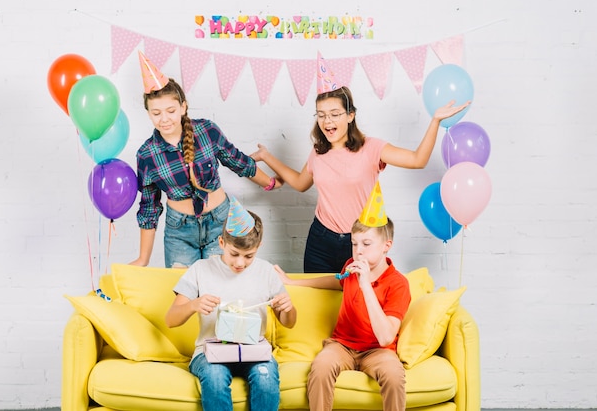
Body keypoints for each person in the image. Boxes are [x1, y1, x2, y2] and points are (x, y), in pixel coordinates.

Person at [251, 56, 470, 273]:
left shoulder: (372, 148)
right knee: (318, 304)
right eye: (321, 115)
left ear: (350, 115)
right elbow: (300, 183)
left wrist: (435, 121)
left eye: (335, 114)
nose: (327, 122)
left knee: (356, 303)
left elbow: (417, 160)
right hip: (320, 240)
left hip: (360, 243)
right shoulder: (318, 152)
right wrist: (267, 156)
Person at [130, 51, 280, 268]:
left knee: (219, 291)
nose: (164, 119)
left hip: (219, 222)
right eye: (156, 113)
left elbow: (237, 161)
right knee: (184, 292)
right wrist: (143, 259)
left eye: (170, 110)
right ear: (149, 114)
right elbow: (149, 208)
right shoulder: (147, 154)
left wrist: (270, 183)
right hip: (179, 231)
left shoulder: (206, 130)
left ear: (182, 107)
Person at [274, 182, 410, 411]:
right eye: (354, 244)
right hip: (342, 346)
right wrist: (292, 281)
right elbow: (336, 280)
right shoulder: (351, 266)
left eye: (367, 244)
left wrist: (365, 284)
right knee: (320, 367)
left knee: (395, 377)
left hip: (378, 351)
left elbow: (386, 337)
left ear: (387, 245)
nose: (358, 251)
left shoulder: (398, 284)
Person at [165, 196, 297, 411]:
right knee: (215, 380)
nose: (240, 263)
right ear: (221, 243)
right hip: (209, 351)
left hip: (255, 351)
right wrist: (193, 305)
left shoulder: (266, 271)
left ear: (259, 247)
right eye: (234, 254)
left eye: (249, 256)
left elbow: (289, 323)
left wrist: (288, 308)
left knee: (265, 380)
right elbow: (170, 320)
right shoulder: (200, 269)